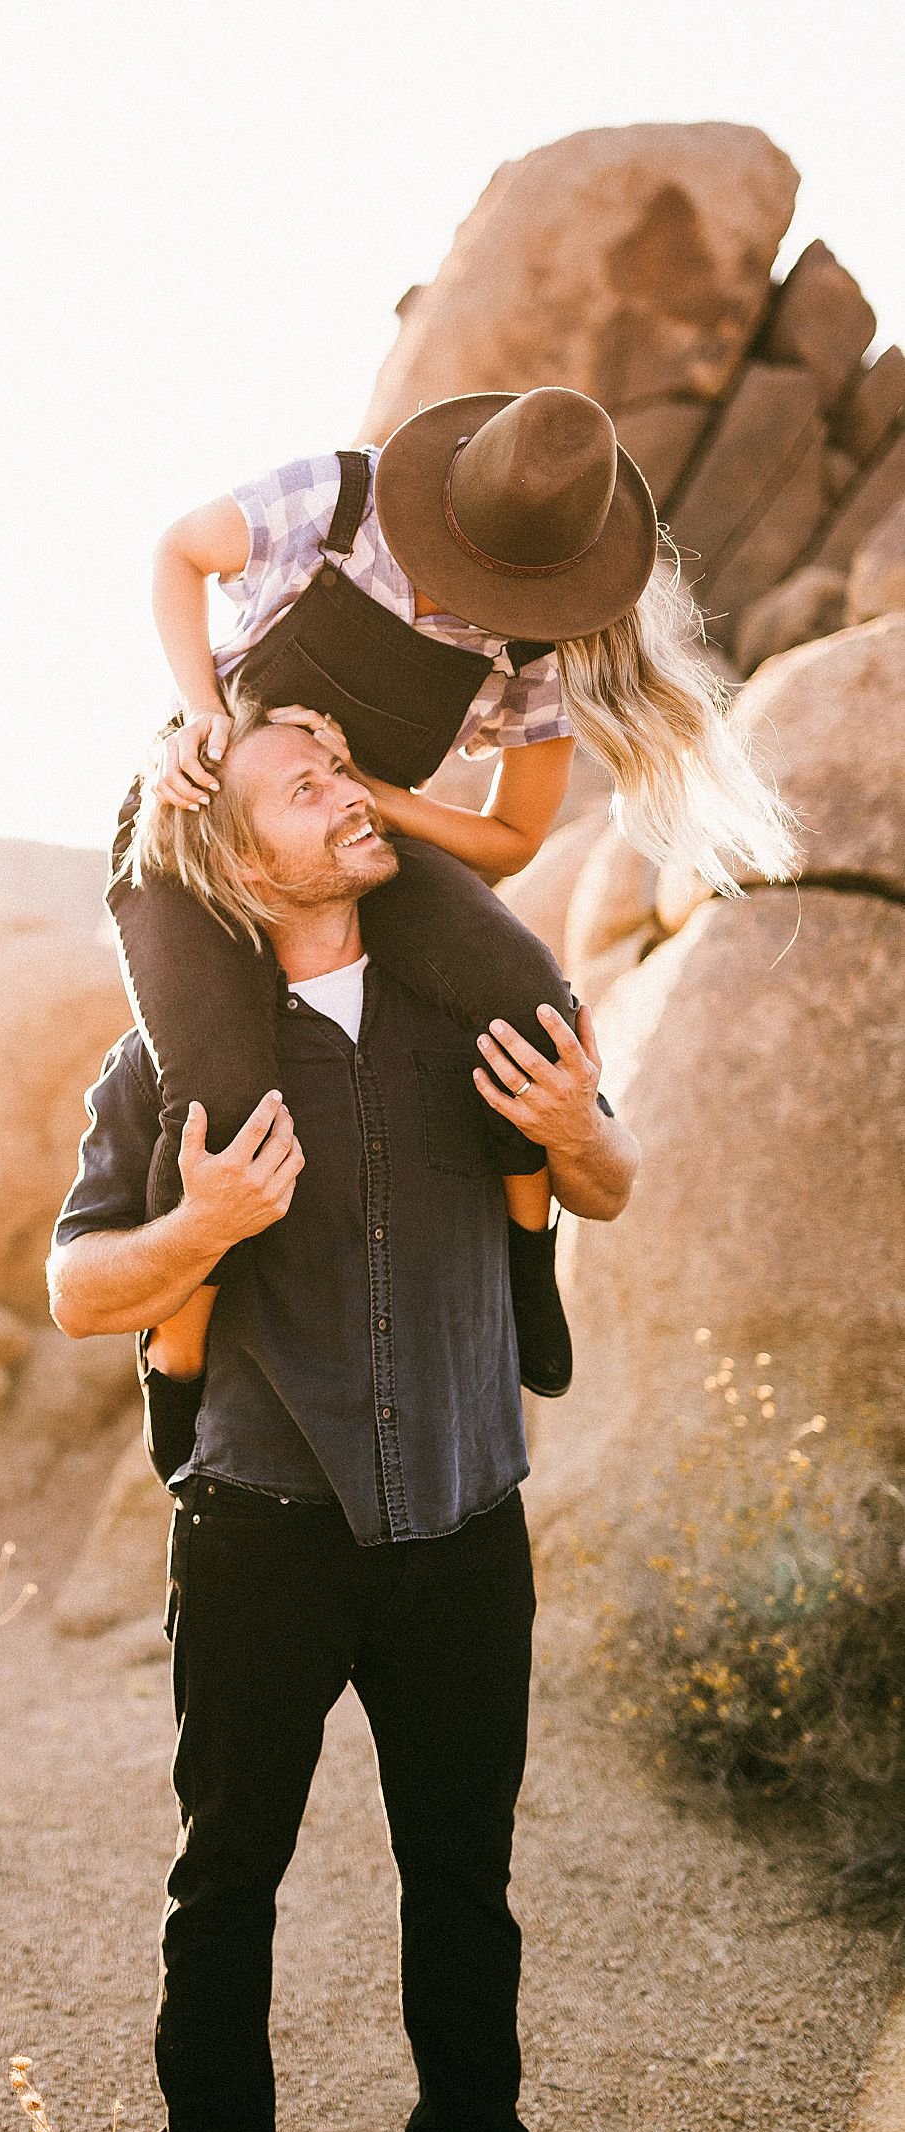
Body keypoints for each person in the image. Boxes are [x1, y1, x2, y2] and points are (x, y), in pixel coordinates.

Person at [48, 711, 641, 2132]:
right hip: (261, 1528)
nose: (354, 797)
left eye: (342, 770)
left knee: (464, 1876)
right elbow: (77, 1290)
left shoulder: (472, 1015)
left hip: (466, 1516)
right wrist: (201, 1226)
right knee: (226, 1873)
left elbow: (613, 1181)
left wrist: (579, 1129)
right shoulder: (169, 1068)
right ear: (244, 862)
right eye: (306, 789)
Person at [107, 384, 796, 1400]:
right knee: (219, 1091)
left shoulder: (539, 643)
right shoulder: (340, 505)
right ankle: (179, 1358)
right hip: (201, 804)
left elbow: (513, 836)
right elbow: (177, 550)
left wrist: (377, 796)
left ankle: (527, 1259)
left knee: (529, 1000)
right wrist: (201, 719)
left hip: (362, 832)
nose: (486, 608)